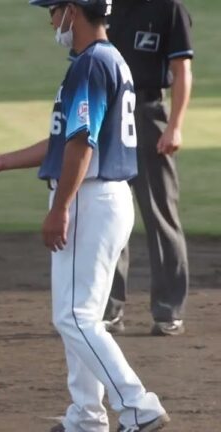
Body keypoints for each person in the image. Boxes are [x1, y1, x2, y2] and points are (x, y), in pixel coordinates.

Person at [0, 0, 169, 430]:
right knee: (79, 312)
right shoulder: (108, 60)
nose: (51, 21)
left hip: (90, 198)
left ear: (73, 10)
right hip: (102, 197)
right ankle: (87, 418)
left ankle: (138, 407)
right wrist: (3, 162)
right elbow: (63, 139)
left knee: (75, 316)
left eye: (53, 11)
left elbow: (80, 143)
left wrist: (60, 208)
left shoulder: (91, 64)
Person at [102, 0, 194, 337]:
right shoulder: (105, 6)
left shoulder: (169, 9)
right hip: (107, 112)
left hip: (149, 113)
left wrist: (175, 126)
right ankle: (108, 309)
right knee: (109, 212)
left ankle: (169, 310)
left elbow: (182, 70)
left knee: (160, 213)